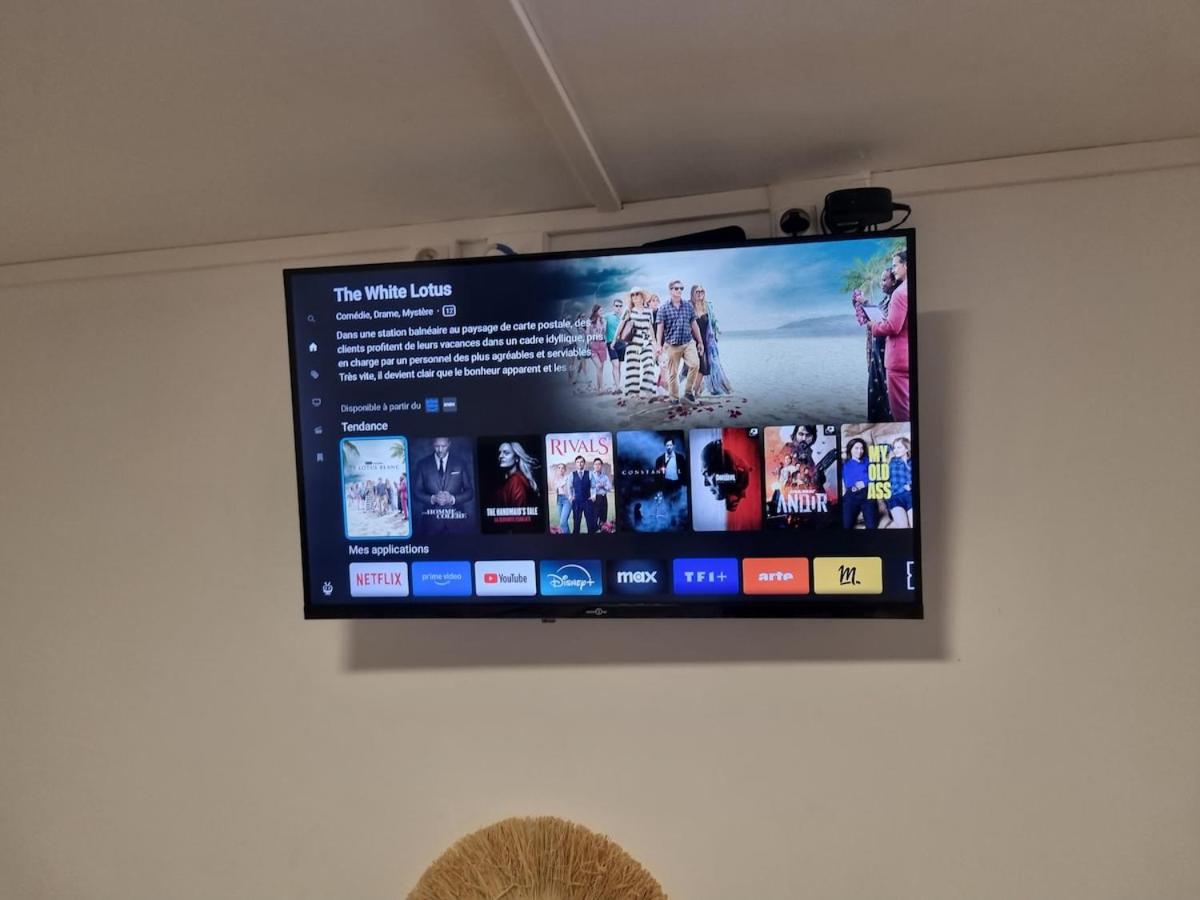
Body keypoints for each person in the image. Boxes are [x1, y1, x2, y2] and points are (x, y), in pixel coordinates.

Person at [866, 251, 910, 421]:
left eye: (895, 265)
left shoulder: (900, 293)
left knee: (901, 412)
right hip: (906, 357)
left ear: (906, 265)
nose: (894, 269)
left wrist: (874, 327)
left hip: (897, 360)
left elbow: (893, 326)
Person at [655, 279, 705, 404]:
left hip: (688, 342)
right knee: (672, 373)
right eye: (676, 288)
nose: (679, 290)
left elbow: (694, 325)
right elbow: (660, 328)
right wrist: (658, 345)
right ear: (670, 290)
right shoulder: (663, 308)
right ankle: (674, 397)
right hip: (672, 345)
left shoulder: (688, 306)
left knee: (695, 364)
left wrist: (700, 341)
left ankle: (688, 392)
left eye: (681, 288)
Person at [412, 437, 475, 533]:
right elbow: (416, 492)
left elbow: (470, 492)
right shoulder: (422, 464)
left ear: (449, 444)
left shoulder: (460, 463)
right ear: (433, 444)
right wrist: (432, 499)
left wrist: (452, 499)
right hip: (430, 524)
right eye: (437, 446)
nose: (440, 450)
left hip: (456, 522)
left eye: (443, 446)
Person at [690, 285, 732, 396]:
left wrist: (715, 336)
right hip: (693, 341)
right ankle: (694, 391)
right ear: (693, 293)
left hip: (707, 342)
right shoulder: (689, 307)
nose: (700, 293)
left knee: (705, 367)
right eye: (697, 291)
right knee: (696, 366)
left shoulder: (707, 307)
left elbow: (712, 323)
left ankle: (695, 391)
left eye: (702, 291)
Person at [620, 287, 658, 398]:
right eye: (633, 295)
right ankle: (632, 392)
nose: (635, 296)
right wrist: (614, 340)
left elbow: (650, 327)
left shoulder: (648, 311)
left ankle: (646, 390)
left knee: (649, 365)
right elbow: (621, 325)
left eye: (637, 294)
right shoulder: (629, 310)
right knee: (633, 368)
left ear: (642, 296)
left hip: (646, 342)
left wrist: (655, 343)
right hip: (632, 343)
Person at [841, 437, 878, 529]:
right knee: (845, 525)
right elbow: (848, 482)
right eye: (856, 448)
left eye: (862, 448)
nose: (860, 451)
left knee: (872, 526)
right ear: (850, 449)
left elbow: (875, 476)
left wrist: (864, 483)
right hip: (851, 495)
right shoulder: (845, 464)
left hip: (867, 494)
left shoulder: (867, 460)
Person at [495, 441, 539, 506]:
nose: (500, 456)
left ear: (516, 458)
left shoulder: (516, 480)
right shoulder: (509, 480)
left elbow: (519, 509)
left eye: (506, 453)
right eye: (499, 453)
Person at [887, 436, 914, 528]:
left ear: (907, 449)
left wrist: (911, 486)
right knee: (903, 527)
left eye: (899, 447)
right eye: (894, 448)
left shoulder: (913, 462)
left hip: (910, 496)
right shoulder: (892, 462)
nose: (895, 450)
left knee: (914, 525)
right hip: (895, 497)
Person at [603, 296, 625, 393]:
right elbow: (596, 320)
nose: (618, 308)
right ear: (613, 306)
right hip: (611, 342)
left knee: (619, 366)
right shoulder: (607, 316)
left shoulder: (623, 317)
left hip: (622, 343)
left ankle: (617, 385)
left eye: (620, 306)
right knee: (615, 365)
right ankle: (617, 386)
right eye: (616, 306)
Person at [569, 455, 596, 534]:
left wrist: (593, 496)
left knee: (590, 523)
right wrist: (571, 497)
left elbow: (593, 486)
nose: (579, 464)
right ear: (575, 464)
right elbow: (569, 487)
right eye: (578, 462)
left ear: (584, 463)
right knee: (576, 523)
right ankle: (575, 540)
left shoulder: (590, 473)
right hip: (576, 502)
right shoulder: (572, 474)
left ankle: (592, 540)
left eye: (581, 462)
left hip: (587, 501)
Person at [585, 304, 608, 393]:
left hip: (602, 345)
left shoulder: (604, 321)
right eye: (600, 310)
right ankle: (601, 387)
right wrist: (589, 343)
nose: (602, 312)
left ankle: (599, 388)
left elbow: (604, 333)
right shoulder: (589, 321)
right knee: (599, 366)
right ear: (596, 311)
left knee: (600, 368)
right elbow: (587, 333)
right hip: (593, 345)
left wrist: (605, 342)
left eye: (602, 310)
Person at [590, 457, 612, 530]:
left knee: (603, 519)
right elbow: (589, 487)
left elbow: (609, 488)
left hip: (603, 498)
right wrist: (597, 486)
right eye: (595, 464)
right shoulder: (590, 475)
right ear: (593, 465)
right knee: (594, 519)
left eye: (599, 464)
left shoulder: (605, 477)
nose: (597, 466)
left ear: (601, 465)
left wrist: (603, 486)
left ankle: (602, 533)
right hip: (594, 498)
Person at [552, 462, 571, 533]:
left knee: (563, 522)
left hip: (567, 500)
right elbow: (555, 489)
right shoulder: (555, 479)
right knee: (563, 521)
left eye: (562, 468)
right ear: (557, 470)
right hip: (559, 500)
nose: (561, 469)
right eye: (559, 468)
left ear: (565, 470)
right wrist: (558, 484)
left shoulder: (567, 478)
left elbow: (567, 488)